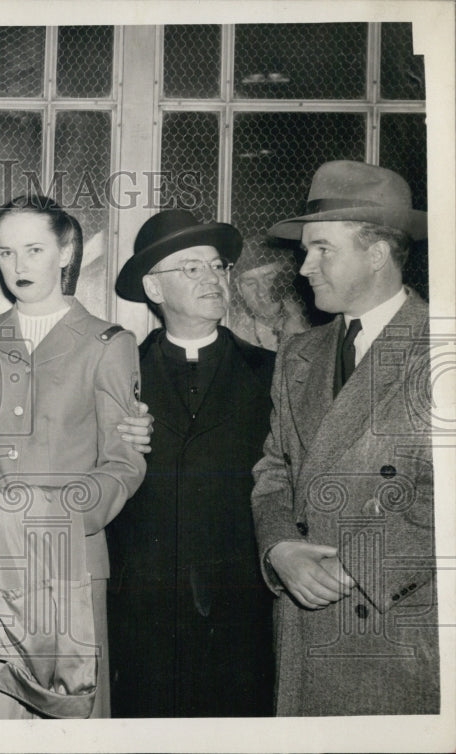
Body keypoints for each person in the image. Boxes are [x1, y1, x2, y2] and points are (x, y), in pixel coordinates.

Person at [0, 195, 147, 719]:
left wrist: (68, 513)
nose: (18, 266)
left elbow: (124, 463)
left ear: (67, 252)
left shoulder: (108, 342)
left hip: (68, 564)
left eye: (33, 250)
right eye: (5, 253)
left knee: (62, 719)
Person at [251, 160, 438, 715]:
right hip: (305, 632)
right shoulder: (299, 353)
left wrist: (354, 564)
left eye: (322, 249)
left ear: (377, 253)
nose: (305, 266)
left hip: (394, 634)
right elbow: (275, 469)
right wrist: (281, 548)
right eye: (306, 249)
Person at [107, 209, 276, 717]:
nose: (213, 279)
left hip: (241, 610)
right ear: (154, 289)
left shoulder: (273, 371)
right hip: (142, 611)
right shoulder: (119, 375)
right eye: (192, 268)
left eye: (217, 266)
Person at [229, 235, 310, 351]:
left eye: (269, 279)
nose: (261, 292)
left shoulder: (311, 324)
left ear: (284, 279)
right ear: (239, 290)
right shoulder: (234, 334)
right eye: (251, 284)